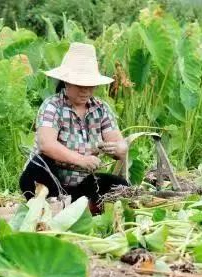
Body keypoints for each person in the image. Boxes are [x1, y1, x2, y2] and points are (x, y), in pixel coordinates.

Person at [19, 42, 129, 213]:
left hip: (80, 182)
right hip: (50, 178)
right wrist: (82, 160)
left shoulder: (101, 108)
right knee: (38, 166)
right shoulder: (53, 106)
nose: (85, 91)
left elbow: (118, 144)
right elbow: (46, 145)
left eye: (89, 86)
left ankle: (76, 206)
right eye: (80, 85)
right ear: (66, 83)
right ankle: (54, 205)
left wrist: (120, 148)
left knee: (120, 186)